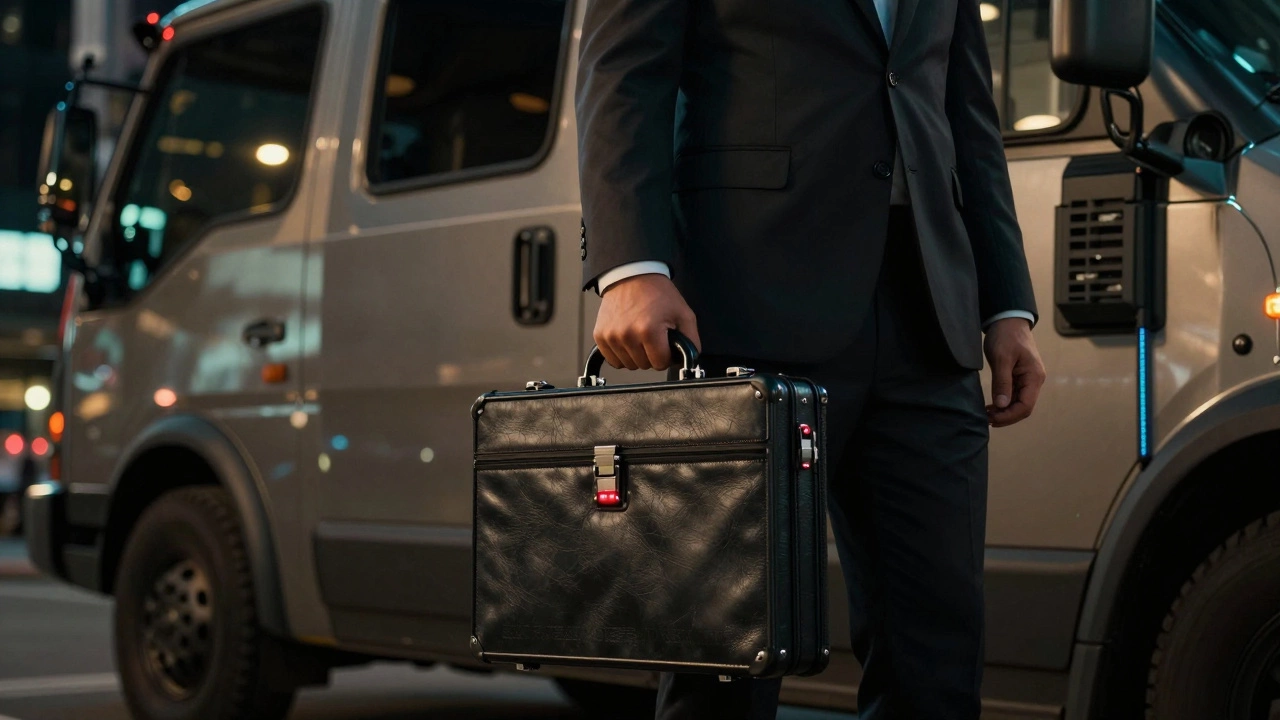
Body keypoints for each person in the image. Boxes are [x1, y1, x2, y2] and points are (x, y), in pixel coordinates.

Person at [575, 0, 1047, 718]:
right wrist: (632, 265)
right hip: (748, 300)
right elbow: (623, 70)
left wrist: (1006, 306)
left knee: (937, 652)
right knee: (726, 657)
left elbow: (965, 113)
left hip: (927, 313)